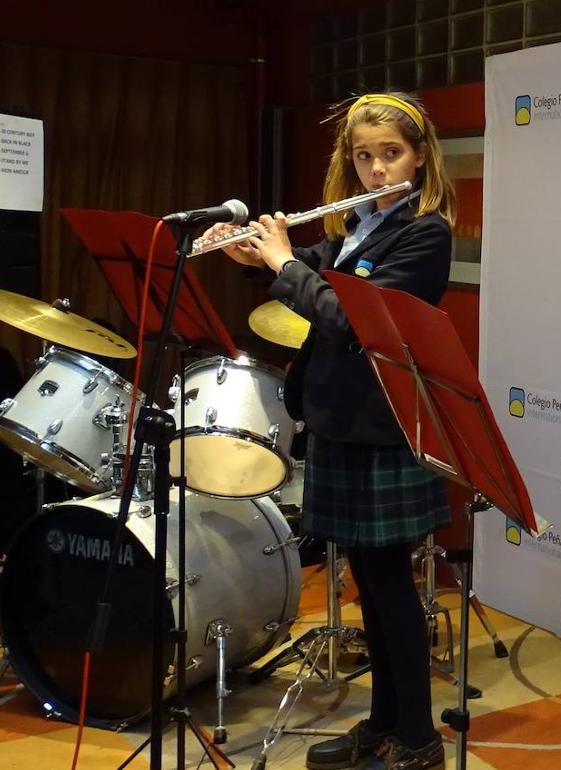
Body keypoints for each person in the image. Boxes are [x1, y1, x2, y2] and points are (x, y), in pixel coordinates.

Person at [207, 92, 455, 770]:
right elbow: (315, 265)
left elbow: (349, 319)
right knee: (367, 586)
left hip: (384, 430)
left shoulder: (425, 233)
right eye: (364, 156)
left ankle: (419, 738)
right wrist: (255, 254)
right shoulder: (358, 226)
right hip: (341, 423)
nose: (376, 170)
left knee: (391, 584)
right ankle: (382, 723)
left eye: (391, 155)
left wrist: (285, 264)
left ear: (420, 157)